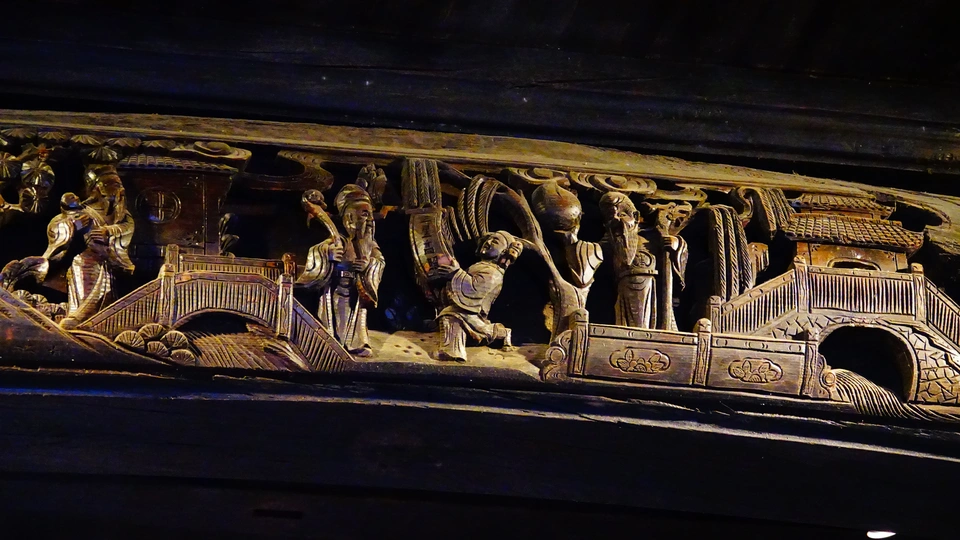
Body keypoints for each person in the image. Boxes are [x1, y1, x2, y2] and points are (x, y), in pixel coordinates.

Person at [0, 166, 135, 328]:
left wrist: (108, 232)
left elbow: (127, 228)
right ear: (97, 188)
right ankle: (79, 316)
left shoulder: (121, 216)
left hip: (109, 260)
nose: (117, 189)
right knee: (82, 269)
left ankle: (99, 319)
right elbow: (57, 224)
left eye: (118, 184)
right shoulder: (82, 210)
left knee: (107, 291)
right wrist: (73, 226)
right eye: (111, 184)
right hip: (86, 259)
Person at [297, 184, 384, 357]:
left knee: (358, 318)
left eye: (369, 214)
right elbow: (317, 251)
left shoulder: (368, 244)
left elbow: (380, 261)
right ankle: (330, 342)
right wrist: (327, 253)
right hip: (335, 286)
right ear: (349, 216)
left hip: (357, 288)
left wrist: (368, 265)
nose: (368, 219)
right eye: (363, 214)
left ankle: (358, 344)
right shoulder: (337, 240)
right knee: (334, 317)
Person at [433, 230, 522, 362]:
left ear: (504, 252)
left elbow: (474, 290)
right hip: (466, 310)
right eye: (488, 240)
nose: (488, 242)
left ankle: (452, 352)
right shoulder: (480, 266)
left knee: (452, 316)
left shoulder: (494, 273)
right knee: (446, 315)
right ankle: (500, 332)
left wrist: (456, 273)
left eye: (495, 242)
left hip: (474, 313)